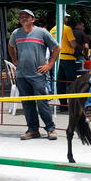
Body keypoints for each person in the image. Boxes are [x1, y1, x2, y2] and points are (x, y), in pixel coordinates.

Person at [8, 9, 60, 140]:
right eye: (21, 17)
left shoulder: (42, 32)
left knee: (42, 102)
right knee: (27, 104)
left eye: (26, 16)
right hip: (22, 75)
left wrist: (50, 64)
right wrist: (14, 60)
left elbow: (56, 48)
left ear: (33, 19)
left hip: (38, 75)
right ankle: (33, 130)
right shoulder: (16, 33)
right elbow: (10, 46)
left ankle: (50, 129)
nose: (23, 18)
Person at [50, 12, 76, 112]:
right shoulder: (67, 28)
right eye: (66, 17)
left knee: (60, 83)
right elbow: (73, 44)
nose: (67, 19)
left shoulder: (52, 30)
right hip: (68, 59)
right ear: (63, 18)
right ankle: (73, 104)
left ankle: (63, 105)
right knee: (71, 83)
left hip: (56, 59)